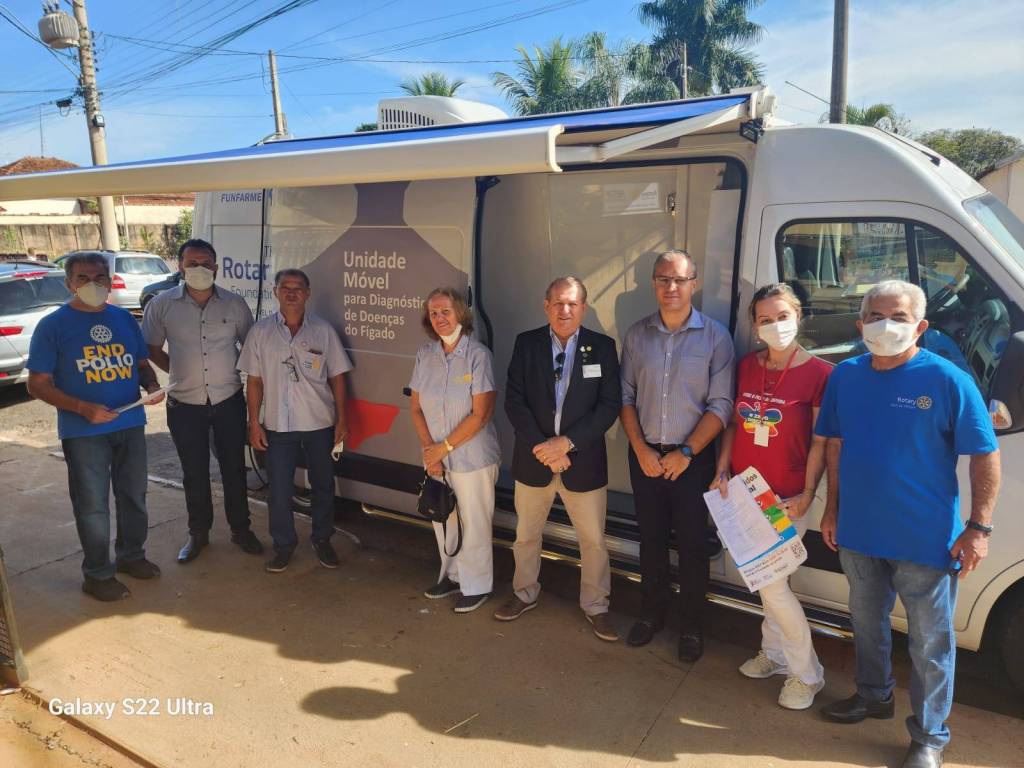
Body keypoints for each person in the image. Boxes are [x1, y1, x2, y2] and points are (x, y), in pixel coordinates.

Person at [815, 280, 1000, 768]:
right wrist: (832, 508)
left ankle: (929, 736)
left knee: (930, 642)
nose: (886, 326)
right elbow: (835, 444)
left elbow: (985, 454)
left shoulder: (947, 380)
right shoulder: (845, 376)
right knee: (866, 623)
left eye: (898, 317)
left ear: (920, 326)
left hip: (925, 539)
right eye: (876, 316)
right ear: (860, 324)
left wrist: (978, 529)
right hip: (859, 532)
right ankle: (873, 695)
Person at [710, 283, 832, 710]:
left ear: (798, 317)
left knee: (774, 585)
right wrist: (722, 468)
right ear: (755, 325)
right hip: (745, 494)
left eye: (782, 316)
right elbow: (732, 424)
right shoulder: (747, 366)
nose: (775, 325)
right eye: (765, 319)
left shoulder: (820, 374)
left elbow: (820, 442)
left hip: (784, 499)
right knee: (766, 582)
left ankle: (807, 674)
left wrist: (808, 493)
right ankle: (775, 653)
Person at [26, 252, 163, 601]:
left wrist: (151, 386)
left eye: (100, 277)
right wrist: (82, 408)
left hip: (130, 422)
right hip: (84, 433)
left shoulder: (123, 318)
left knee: (134, 495)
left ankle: (131, 555)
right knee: (92, 505)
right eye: (83, 278)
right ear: (69, 283)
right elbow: (37, 384)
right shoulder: (53, 326)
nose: (93, 284)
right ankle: (98, 574)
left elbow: (141, 363)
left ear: (110, 280)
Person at [620, 249, 734, 662]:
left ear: (694, 284)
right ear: (653, 283)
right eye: (663, 279)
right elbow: (625, 397)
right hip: (645, 456)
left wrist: (686, 452)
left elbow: (721, 405)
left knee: (692, 545)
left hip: (693, 460)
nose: (671, 287)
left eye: (680, 280)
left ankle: (691, 626)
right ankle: (651, 614)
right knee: (650, 540)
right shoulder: (637, 335)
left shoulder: (716, 337)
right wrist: (641, 450)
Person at [495, 277, 622, 641]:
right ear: (546, 306)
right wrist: (544, 448)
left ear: (583, 307)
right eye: (557, 303)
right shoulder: (527, 344)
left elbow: (608, 406)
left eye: (572, 304)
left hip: (583, 462)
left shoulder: (602, 347)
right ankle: (524, 593)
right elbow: (514, 401)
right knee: (526, 535)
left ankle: (596, 606)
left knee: (593, 541)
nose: (564, 310)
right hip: (534, 460)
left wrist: (566, 444)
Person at [142, 238, 262, 564]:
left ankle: (241, 530)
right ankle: (198, 533)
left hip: (228, 400)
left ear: (216, 268)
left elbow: (251, 348)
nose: (199, 269)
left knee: (234, 469)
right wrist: (177, 371)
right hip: (184, 404)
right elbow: (151, 348)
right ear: (180, 267)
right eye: (192, 263)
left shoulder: (234, 304)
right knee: (194, 472)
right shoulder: (162, 305)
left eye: (206, 263)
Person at [237, 268, 352, 574]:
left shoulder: (323, 331)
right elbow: (254, 381)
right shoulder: (261, 332)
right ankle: (283, 546)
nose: (291, 292)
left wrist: (342, 420)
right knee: (278, 490)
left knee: (323, 486)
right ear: (275, 292)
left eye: (297, 287)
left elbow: (338, 378)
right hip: (278, 426)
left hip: (319, 423)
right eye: (284, 287)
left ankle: (322, 540)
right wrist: (254, 423)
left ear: (307, 293)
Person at [409, 288, 501, 613]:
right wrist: (429, 451)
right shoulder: (425, 355)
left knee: (474, 523)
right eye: (433, 313)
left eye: (445, 311)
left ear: (460, 313)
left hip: (473, 457)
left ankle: (477, 586)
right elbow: (416, 407)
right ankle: (452, 576)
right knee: (443, 517)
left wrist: (443, 448)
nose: (440, 318)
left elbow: (481, 414)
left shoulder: (478, 355)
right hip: (436, 457)